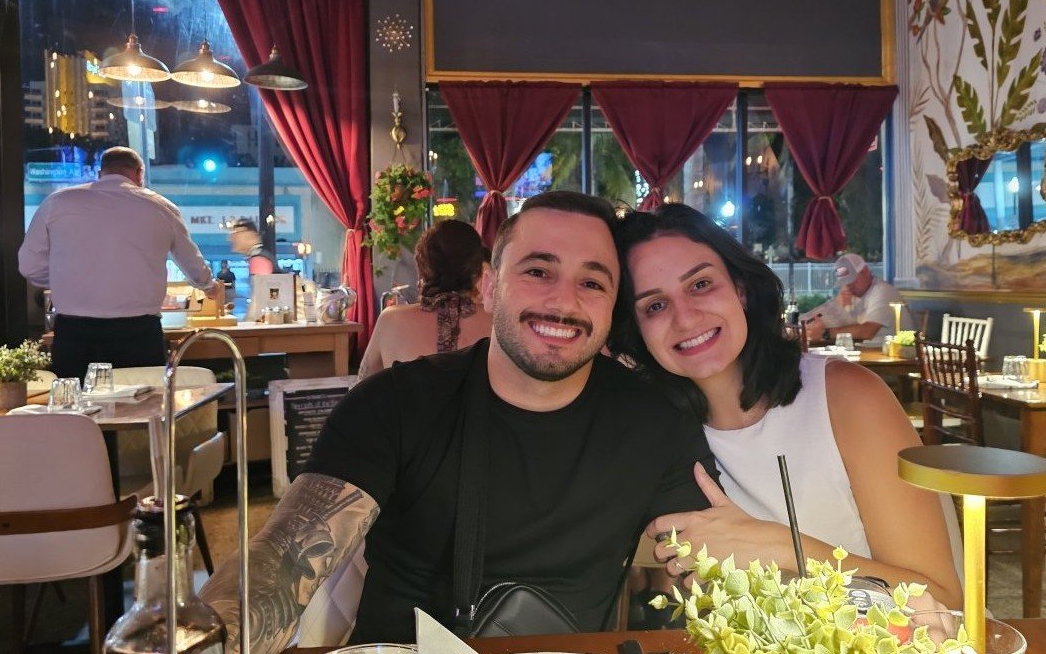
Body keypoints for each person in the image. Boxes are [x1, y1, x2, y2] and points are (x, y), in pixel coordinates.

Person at [198, 191, 716, 653]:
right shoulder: (396, 404)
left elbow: (705, 578)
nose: (564, 301)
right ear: (488, 287)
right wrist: (213, 639)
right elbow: (284, 559)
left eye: (592, 282)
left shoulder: (656, 422)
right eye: (538, 272)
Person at [610, 204, 962, 609]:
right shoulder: (655, 431)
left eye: (701, 284)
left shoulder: (846, 397)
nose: (686, 318)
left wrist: (778, 546)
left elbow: (940, 598)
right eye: (654, 306)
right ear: (636, 329)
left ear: (740, 289)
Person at [18, 146, 220, 378]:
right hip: (138, 333)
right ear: (140, 173)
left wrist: (68, 280)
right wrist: (209, 286)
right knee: (142, 398)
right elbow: (192, 264)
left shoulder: (58, 202)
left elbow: (29, 266)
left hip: (75, 332)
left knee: (76, 397)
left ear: (100, 173)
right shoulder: (161, 207)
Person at [357, 219, 492, 377]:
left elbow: (363, 384)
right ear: (478, 271)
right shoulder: (497, 322)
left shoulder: (391, 320)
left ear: (421, 267)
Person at [803, 252, 905, 343]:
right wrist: (839, 307)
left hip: (895, 354)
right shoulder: (851, 296)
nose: (848, 286)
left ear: (865, 271)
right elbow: (848, 328)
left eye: (851, 280)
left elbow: (867, 332)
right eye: (844, 282)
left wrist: (824, 333)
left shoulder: (883, 290)